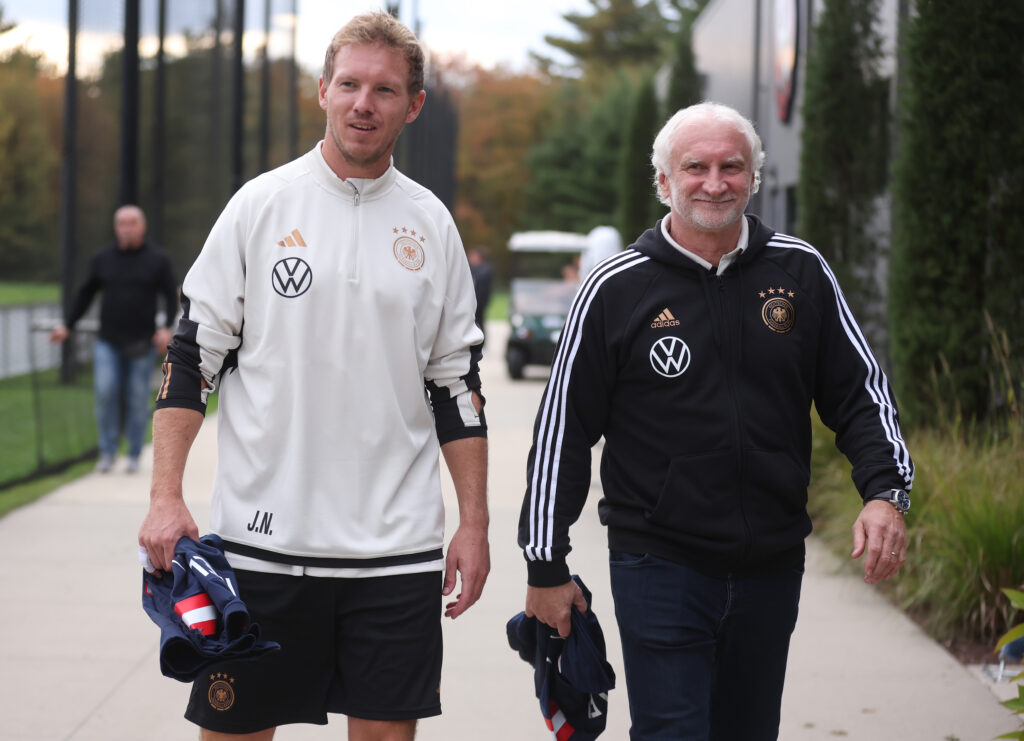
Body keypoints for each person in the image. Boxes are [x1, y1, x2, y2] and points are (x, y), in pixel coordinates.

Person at [138, 12, 489, 741]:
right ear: (323, 89)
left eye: (386, 90)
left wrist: (475, 522)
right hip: (260, 542)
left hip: (395, 550)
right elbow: (191, 359)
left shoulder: (431, 224)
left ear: (413, 105)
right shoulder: (260, 206)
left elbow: (456, 384)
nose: (365, 103)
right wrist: (166, 497)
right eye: (351, 84)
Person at [518, 102, 914, 741]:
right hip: (659, 561)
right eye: (694, 167)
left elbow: (861, 392)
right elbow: (562, 428)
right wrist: (545, 564)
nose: (714, 182)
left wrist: (884, 493)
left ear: (753, 179)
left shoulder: (801, 272)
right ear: (663, 182)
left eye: (732, 167)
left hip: (772, 563)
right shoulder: (616, 288)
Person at [49, 205, 178, 474]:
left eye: (132, 223)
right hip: (108, 341)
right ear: (115, 227)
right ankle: (107, 452)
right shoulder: (103, 259)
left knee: (136, 397)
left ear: (142, 226)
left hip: (142, 342)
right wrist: (67, 325)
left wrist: (166, 328)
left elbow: (170, 295)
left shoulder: (157, 259)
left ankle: (133, 453)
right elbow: (86, 293)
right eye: (121, 223)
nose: (126, 228)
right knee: (106, 393)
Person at [467, 246, 493, 343]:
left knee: (479, 322)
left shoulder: (484, 270)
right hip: (477, 301)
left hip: (480, 301)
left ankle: (481, 342)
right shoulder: (476, 269)